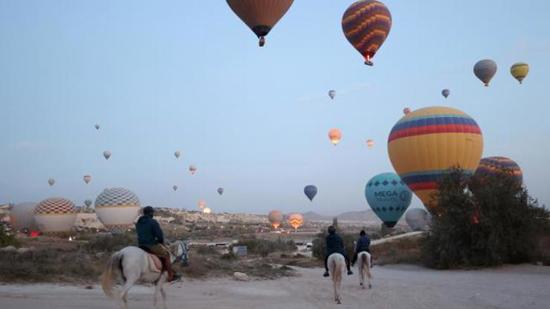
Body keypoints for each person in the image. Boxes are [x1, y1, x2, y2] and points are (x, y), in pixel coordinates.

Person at [135, 206, 180, 282]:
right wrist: (160, 242)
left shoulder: (138, 222)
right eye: (152, 213)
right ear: (151, 213)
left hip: (141, 245)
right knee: (166, 255)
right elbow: (159, 235)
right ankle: (170, 275)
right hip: (151, 245)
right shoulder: (153, 222)